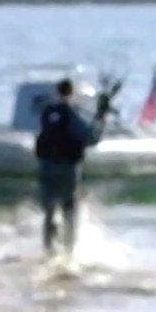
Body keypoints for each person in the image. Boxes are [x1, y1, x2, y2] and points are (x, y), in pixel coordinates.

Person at [33, 77, 103, 255]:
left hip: (47, 168)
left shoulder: (48, 113)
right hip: (67, 169)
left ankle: (48, 249)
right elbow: (91, 138)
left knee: (49, 211)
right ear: (71, 93)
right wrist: (100, 117)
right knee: (69, 209)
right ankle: (68, 250)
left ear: (57, 92)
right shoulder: (71, 114)